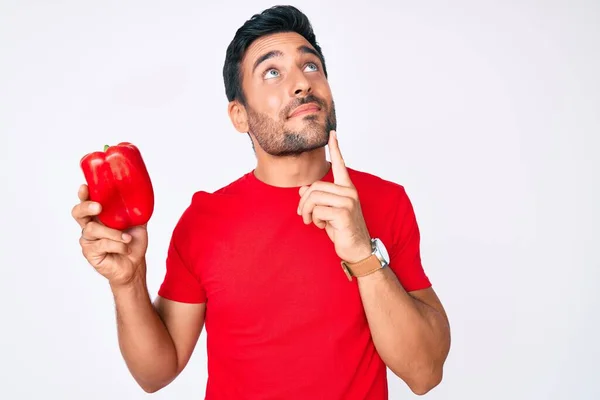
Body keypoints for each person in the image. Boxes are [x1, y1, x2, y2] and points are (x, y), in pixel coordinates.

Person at [71, 5, 451, 399]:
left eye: (311, 66)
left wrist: (362, 254)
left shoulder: (384, 201)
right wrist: (128, 283)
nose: (302, 83)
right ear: (239, 115)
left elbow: (425, 372)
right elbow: (155, 374)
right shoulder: (204, 220)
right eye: (272, 72)